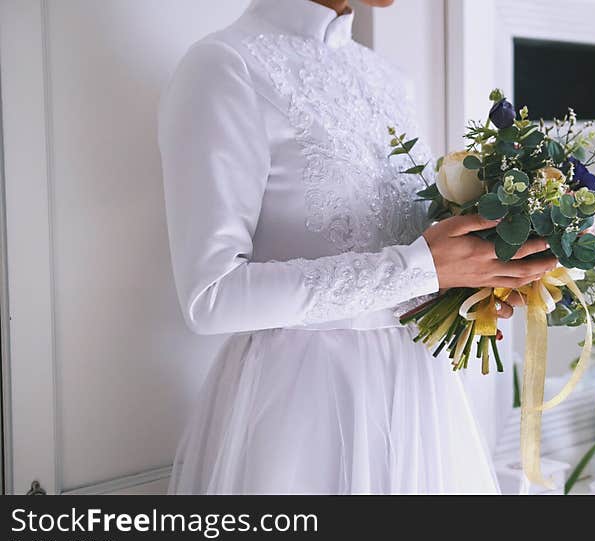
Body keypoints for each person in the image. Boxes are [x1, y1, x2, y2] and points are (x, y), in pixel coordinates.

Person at [158, 0, 555, 494]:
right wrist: (420, 270)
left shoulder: (387, 77)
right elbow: (210, 298)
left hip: (418, 401)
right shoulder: (226, 66)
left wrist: (470, 289)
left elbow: (407, 252)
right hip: (302, 412)